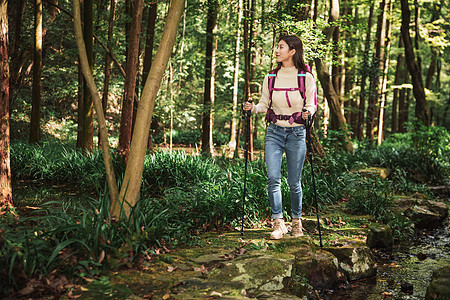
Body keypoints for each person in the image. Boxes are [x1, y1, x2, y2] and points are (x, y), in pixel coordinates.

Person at [243, 35, 317, 240]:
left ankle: (296, 223)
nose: (276, 50)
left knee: (294, 182)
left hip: (296, 133)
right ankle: (278, 223)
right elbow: (263, 105)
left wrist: (308, 113)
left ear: (292, 51)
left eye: (281, 47)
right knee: (273, 179)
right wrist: (252, 108)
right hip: (274, 132)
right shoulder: (271, 77)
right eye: (277, 47)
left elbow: (312, 103)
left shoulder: (306, 77)